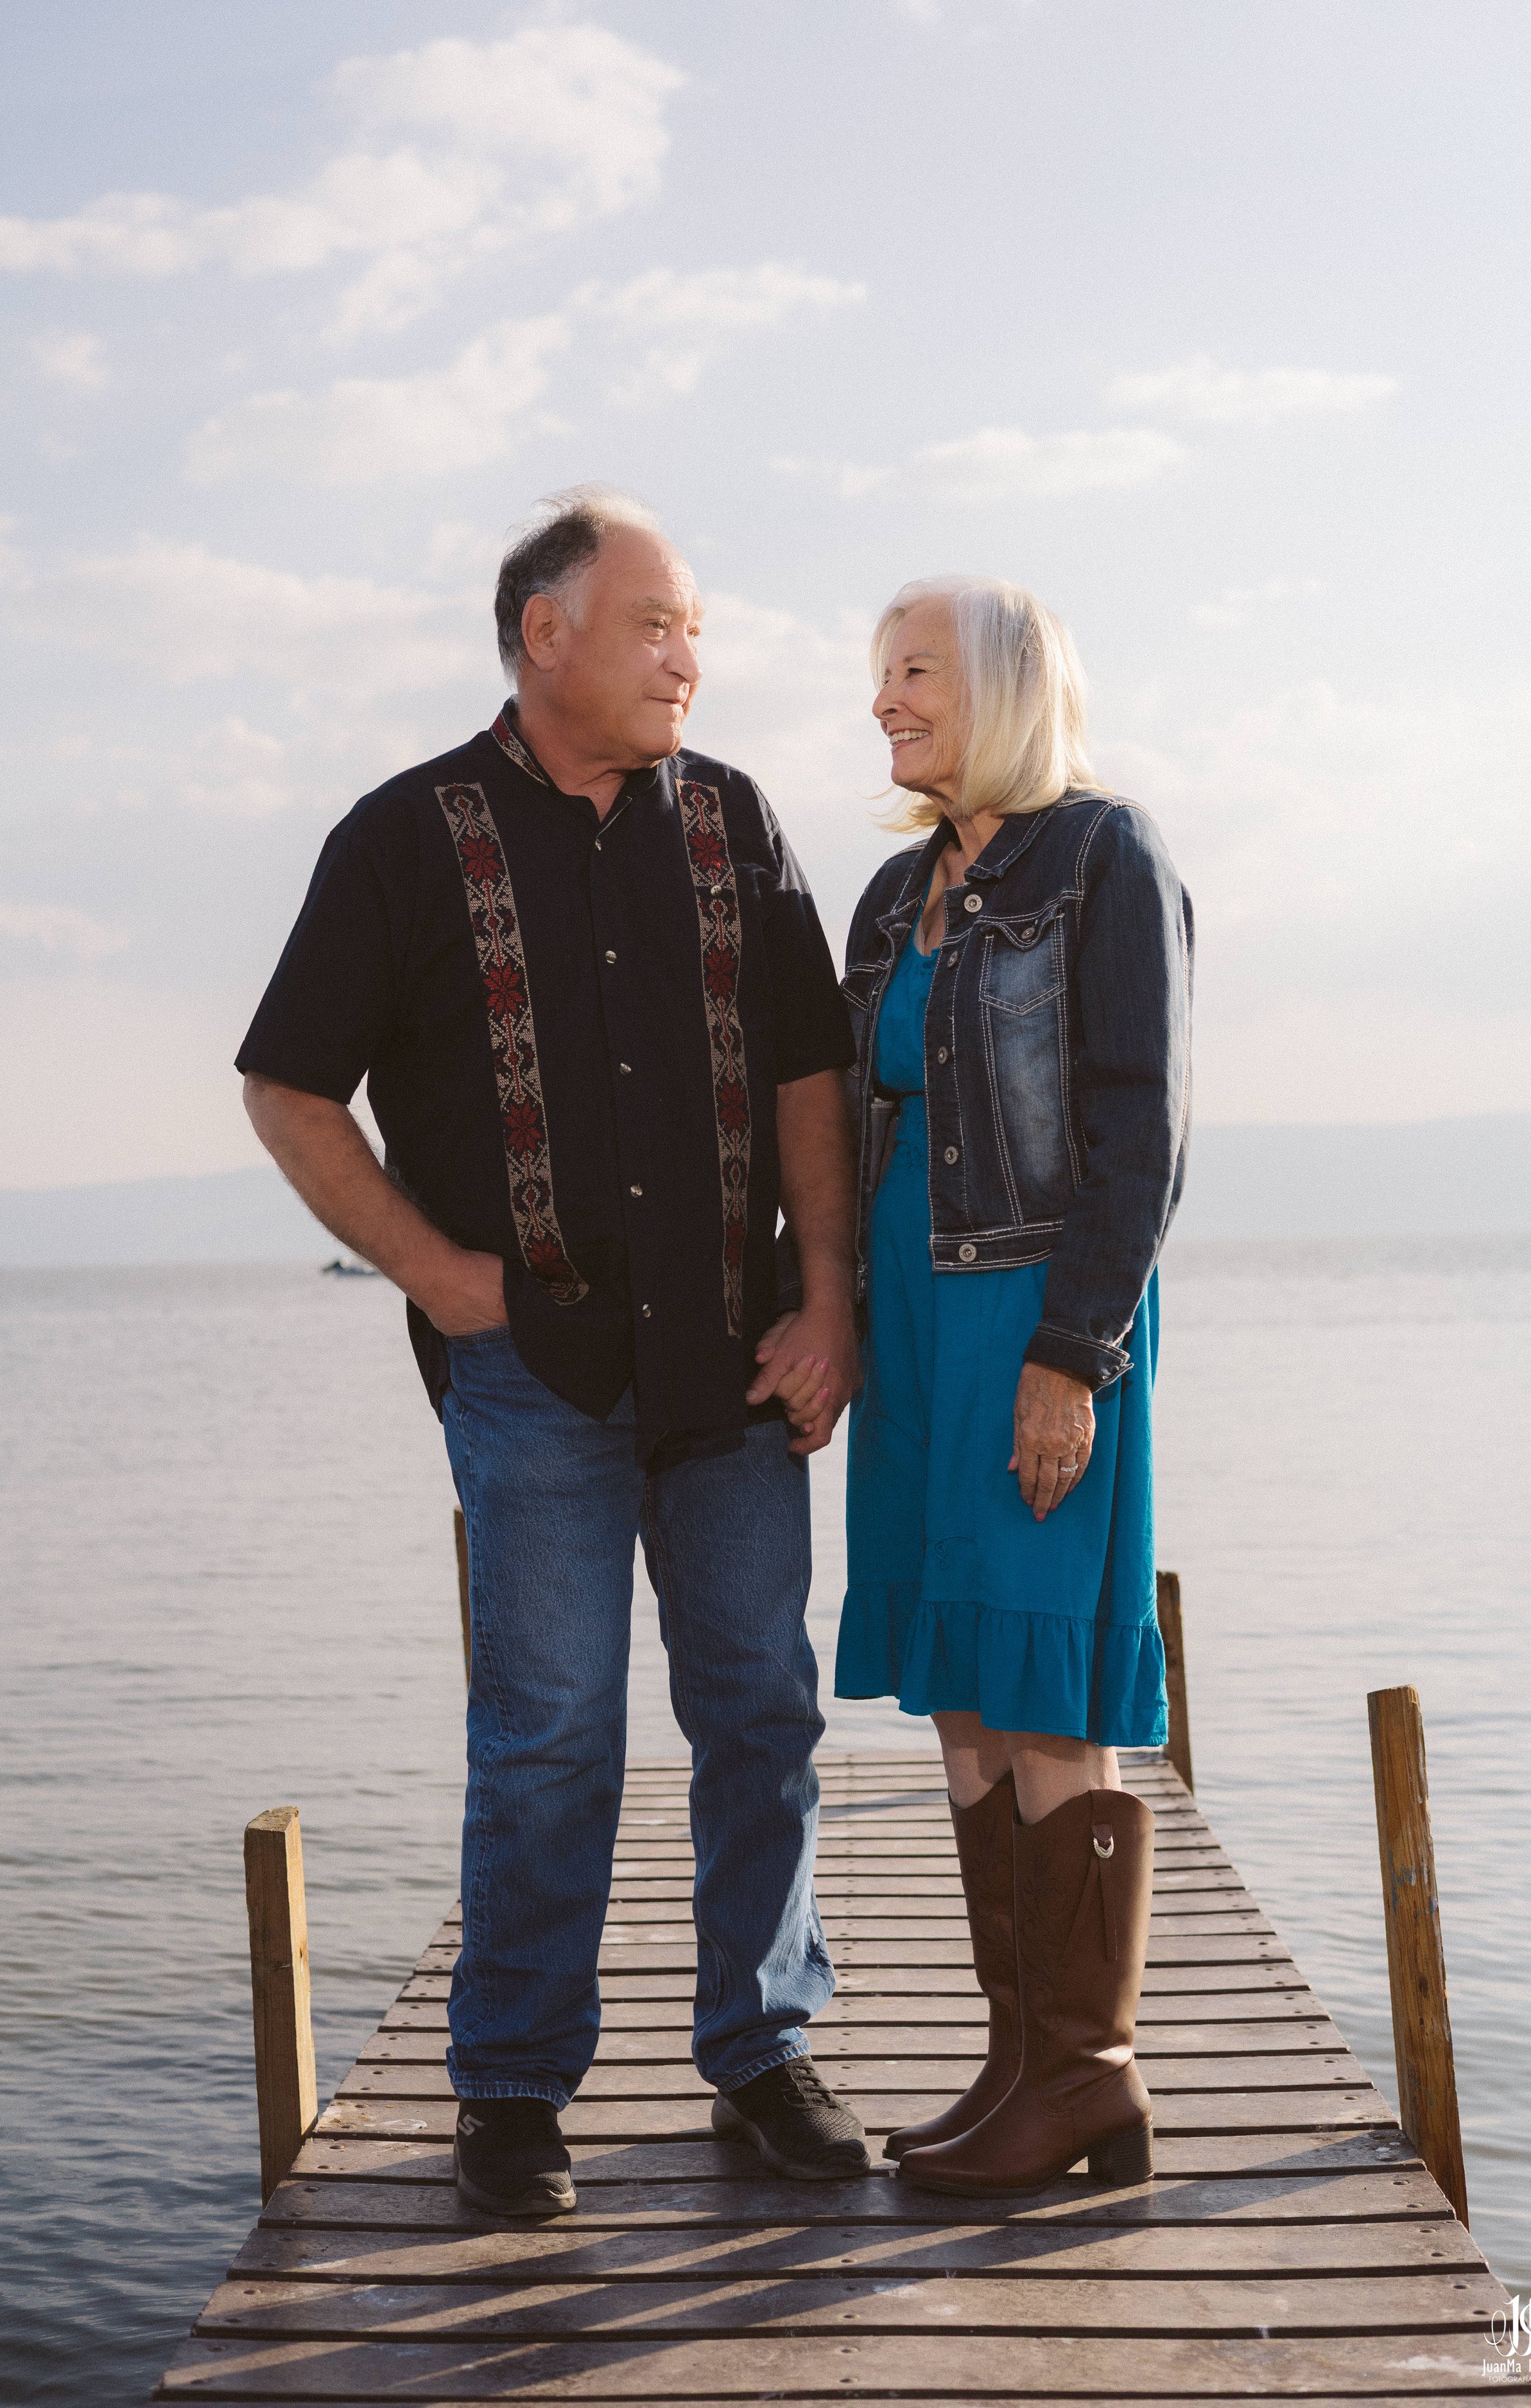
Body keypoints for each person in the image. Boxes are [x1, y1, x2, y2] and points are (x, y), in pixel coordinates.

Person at [237, 486, 872, 2215]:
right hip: (532, 1369)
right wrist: (437, 1268)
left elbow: (813, 1071)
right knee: (548, 1732)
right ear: (547, 636)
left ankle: (760, 2048)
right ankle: (511, 2089)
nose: (689, 657)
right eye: (658, 623)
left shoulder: (738, 822)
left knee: (761, 1707)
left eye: (697, 632)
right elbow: (288, 1083)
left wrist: (831, 1296)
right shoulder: (398, 837)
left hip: (737, 1359)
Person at [835, 574, 1193, 2195]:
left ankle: (1093, 2075)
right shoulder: (888, 898)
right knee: (968, 1701)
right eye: (879, 676)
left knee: (1043, 1689)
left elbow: (1143, 1131)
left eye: (912, 672)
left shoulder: (1105, 857)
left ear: (997, 685)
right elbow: (860, 1137)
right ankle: (1019, 2063)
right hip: (914, 1328)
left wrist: (1073, 1356)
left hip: (1033, 1320)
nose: (884, 703)